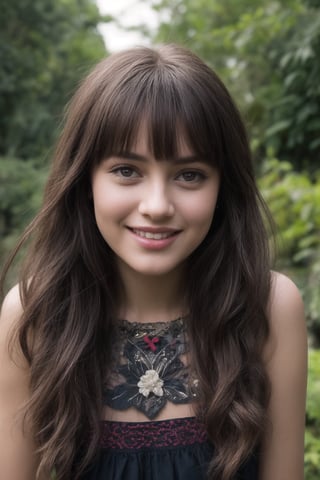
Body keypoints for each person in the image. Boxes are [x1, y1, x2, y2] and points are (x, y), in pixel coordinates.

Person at [0, 44, 307, 480]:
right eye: (127, 170)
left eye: (189, 175)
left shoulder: (269, 308)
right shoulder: (34, 316)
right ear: (85, 179)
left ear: (224, 187)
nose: (157, 205)